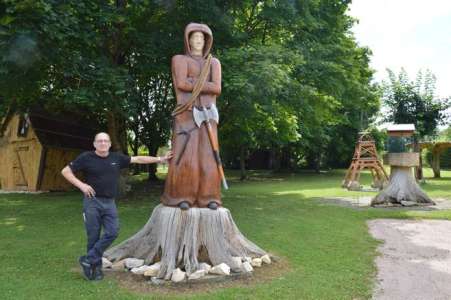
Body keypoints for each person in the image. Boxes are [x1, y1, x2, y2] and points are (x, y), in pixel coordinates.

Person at [61, 132, 172, 281]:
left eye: (105, 141)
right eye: (99, 141)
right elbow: (65, 171)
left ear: (109, 144)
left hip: (109, 203)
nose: (102, 143)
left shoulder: (116, 158)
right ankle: (94, 269)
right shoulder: (86, 157)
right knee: (93, 236)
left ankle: (88, 259)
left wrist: (161, 159)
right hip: (92, 202)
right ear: (94, 144)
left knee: (112, 232)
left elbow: (138, 158)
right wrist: (82, 185)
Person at [161, 23, 222, 211]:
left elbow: (217, 88)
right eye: (194, 37)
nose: (198, 41)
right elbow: (181, 84)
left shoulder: (214, 62)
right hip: (186, 114)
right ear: (188, 40)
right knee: (185, 154)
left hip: (208, 114)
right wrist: (203, 83)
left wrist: (192, 82)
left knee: (208, 155)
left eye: (202, 38)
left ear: (206, 42)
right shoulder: (179, 59)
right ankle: (181, 196)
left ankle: (209, 196)